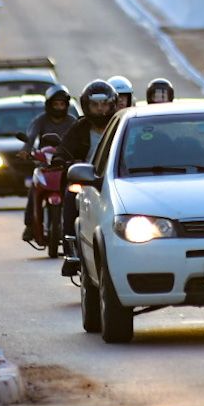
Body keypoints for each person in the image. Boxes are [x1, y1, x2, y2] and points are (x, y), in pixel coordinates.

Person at [59, 79, 117, 270]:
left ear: (112, 104)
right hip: (86, 180)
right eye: (95, 105)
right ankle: (71, 252)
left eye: (104, 104)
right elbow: (64, 149)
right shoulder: (80, 127)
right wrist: (61, 159)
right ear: (86, 105)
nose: (100, 109)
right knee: (69, 197)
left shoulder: (118, 126)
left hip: (114, 179)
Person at [21, 84, 77, 244]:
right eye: (55, 104)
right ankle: (30, 224)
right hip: (44, 166)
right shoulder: (40, 121)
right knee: (34, 189)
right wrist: (26, 150)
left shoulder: (72, 121)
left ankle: (79, 225)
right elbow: (30, 136)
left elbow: (79, 141)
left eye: (62, 104)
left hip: (66, 167)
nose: (59, 108)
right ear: (48, 105)